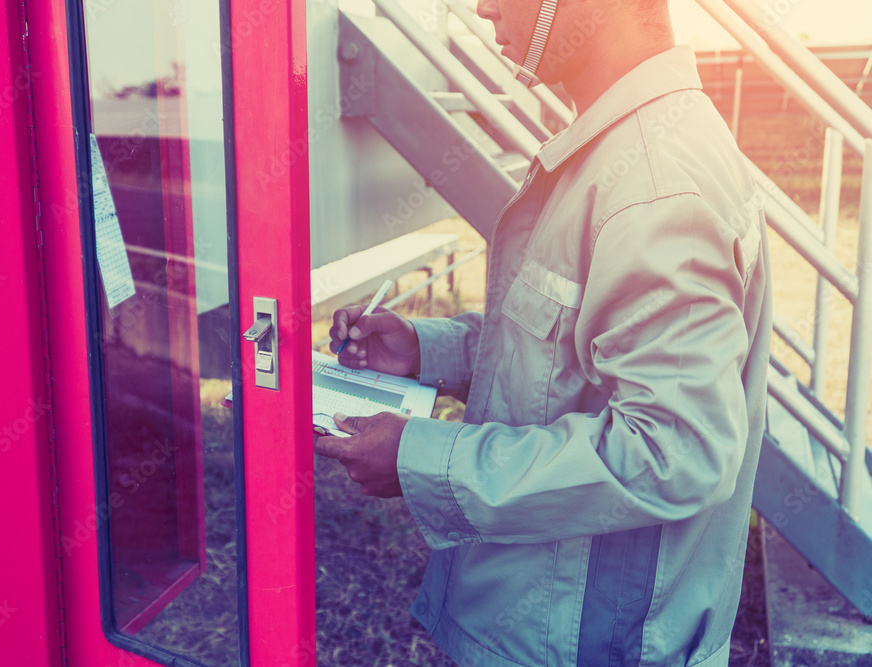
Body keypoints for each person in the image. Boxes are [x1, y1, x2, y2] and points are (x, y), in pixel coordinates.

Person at [314, 0, 772, 664]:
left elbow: (673, 454)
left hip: (588, 643)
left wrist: (421, 460)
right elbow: (573, 352)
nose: (483, 6)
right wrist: (425, 349)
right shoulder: (622, 145)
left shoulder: (653, 180)